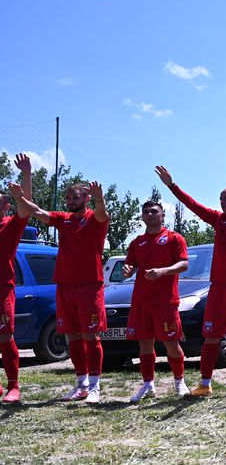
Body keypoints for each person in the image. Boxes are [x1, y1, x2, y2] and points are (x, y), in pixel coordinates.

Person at [158, 159, 226, 396]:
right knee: (211, 335)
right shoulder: (218, 220)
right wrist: (172, 186)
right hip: (218, 287)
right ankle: (205, 383)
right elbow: (193, 205)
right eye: (220, 198)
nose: (221, 202)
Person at [11, 176, 110, 402]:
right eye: (68, 198)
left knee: (91, 337)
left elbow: (102, 214)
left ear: (86, 199)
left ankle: (95, 386)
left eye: (75, 197)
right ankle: (81, 384)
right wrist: (20, 196)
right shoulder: (63, 219)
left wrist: (100, 199)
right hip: (65, 287)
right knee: (72, 338)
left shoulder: (94, 219)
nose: (70, 201)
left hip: (89, 287)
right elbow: (36, 211)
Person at [122, 200, 191, 402]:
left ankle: (179, 382)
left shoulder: (174, 238)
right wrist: (127, 270)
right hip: (142, 301)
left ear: (163, 215)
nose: (150, 214)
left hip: (166, 301)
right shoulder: (137, 242)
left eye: (154, 211)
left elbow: (184, 264)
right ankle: (148, 385)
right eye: (146, 212)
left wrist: (163, 271)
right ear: (142, 217)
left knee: (171, 342)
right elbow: (128, 268)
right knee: (144, 343)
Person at [0, 154, 33, 404]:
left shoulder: (11, 225)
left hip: (3, 290)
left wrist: (26, 174)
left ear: (6, 207)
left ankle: (13, 386)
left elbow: (27, 205)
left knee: (4, 337)